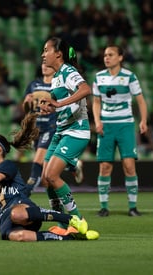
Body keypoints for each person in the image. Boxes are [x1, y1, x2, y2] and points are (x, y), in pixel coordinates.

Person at [0, 113, 99, 242]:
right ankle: (69, 237)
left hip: (23, 211)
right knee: (20, 237)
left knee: (17, 214)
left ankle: (71, 219)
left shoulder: (7, 166)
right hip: (6, 223)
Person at [38, 37, 91, 230]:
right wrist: (47, 104)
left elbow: (86, 89)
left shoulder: (69, 71)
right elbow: (56, 99)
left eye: (46, 50)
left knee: (52, 175)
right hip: (61, 131)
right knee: (45, 179)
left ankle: (77, 221)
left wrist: (59, 103)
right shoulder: (56, 77)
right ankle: (61, 222)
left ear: (58, 54)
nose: (43, 54)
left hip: (76, 131)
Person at [92, 45, 148, 217]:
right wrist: (97, 121)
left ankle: (132, 207)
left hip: (125, 125)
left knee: (129, 166)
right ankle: (104, 207)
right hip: (106, 126)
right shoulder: (99, 77)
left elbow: (140, 101)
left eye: (110, 54)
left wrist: (143, 121)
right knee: (105, 166)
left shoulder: (130, 77)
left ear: (120, 57)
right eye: (105, 55)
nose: (106, 58)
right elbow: (96, 102)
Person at [23, 63, 84, 195]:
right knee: (46, 176)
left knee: (38, 161)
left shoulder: (58, 84)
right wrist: (27, 102)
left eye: (48, 65)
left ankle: (26, 191)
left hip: (52, 127)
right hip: (37, 129)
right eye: (43, 65)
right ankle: (72, 165)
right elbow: (26, 109)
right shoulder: (34, 84)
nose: (44, 66)